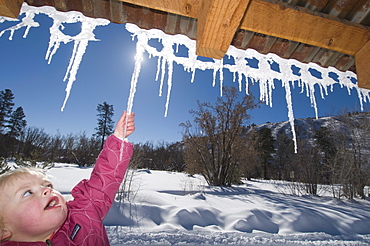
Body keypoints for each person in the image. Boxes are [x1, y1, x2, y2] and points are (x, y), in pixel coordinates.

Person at [0, 111, 135, 245]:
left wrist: (118, 140)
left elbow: (103, 181)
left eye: (47, 185)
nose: (46, 190)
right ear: (3, 231)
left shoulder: (83, 214)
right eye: (27, 193)